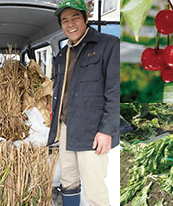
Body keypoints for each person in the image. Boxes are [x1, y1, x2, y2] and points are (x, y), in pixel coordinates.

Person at [46, 0, 120, 205]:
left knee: (95, 188)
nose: (70, 24)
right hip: (66, 127)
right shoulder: (62, 54)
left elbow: (115, 93)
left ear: (86, 19)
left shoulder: (108, 45)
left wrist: (106, 131)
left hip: (92, 130)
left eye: (75, 18)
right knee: (68, 181)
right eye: (65, 20)